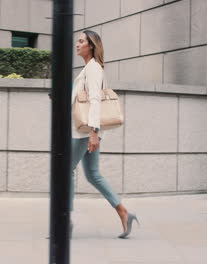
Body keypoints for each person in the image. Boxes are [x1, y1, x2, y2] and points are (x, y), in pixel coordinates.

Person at [70, 30, 140, 239]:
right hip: (89, 131)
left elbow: (94, 101)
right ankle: (124, 213)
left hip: (85, 132)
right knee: (93, 174)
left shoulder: (93, 69)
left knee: (65, 170)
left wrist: (94, 133)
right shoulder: (88, 69)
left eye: (81, 41)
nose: (77, 44)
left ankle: (65, 218)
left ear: (91, 45)